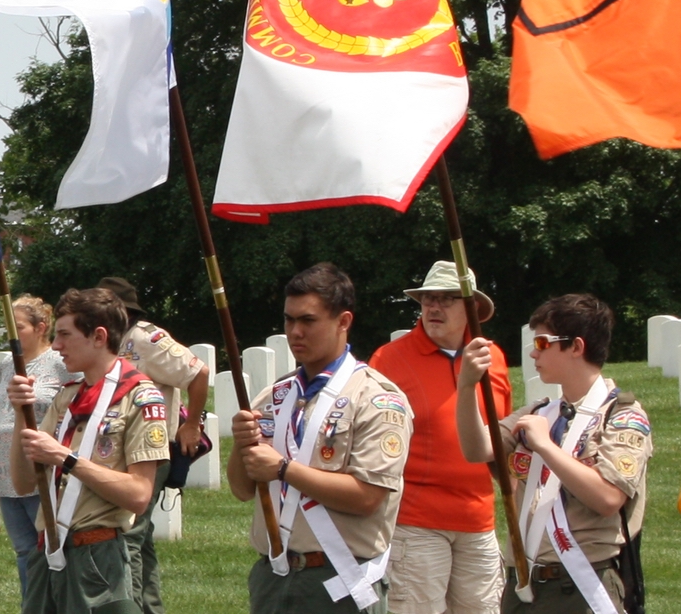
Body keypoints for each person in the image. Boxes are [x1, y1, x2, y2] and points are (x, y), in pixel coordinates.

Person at [229, 263, 415, 614]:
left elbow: (367, 497)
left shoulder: (375, 399)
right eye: (289, 320)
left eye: (308, 321)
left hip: (339, 579)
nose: (295, 332)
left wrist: (284, 469)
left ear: (343, 321)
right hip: (274, 576)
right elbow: (241, 489)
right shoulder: (275, 397)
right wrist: (241, 447)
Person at [456, 294, 651, 613]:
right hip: (525, 584)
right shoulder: (540, 412)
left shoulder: (623, 416)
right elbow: (477, 449)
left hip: (582, 584)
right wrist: (465, 387)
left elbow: (608, 498)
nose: (534, 352)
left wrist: (546, 446)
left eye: (544, 343)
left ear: (576, 347)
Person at [10, 287, 169, 614]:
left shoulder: (139, 398)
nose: (56, 346)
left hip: (97, 558)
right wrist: (19, 414)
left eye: (65, 335)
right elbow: (24, 484)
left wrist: (65, 458)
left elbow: (139, 494)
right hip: (49, 554)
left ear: (98, 336)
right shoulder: (67, 398)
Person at [373, 261, 513, 614]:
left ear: (472, 308)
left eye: (447, 299)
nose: (434, 308)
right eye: (428, 299)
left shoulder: (491, 358)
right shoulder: (389, 360)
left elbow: (500, 438)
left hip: (478, 518)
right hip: (416, 522)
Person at [98, 276, 209, 614]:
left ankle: (129, 607)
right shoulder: (109, 342)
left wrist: (191, 425)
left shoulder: (148, 338)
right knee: (140, 538)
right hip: (120, 449)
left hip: (152, 449)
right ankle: (150, 607)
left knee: (128, 534)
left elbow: (199, 372)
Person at [0, 294, 74, 597]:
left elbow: (74, 406)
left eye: (19, 327)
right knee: (24, 550)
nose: (13, 335)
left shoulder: (59, 363)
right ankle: (32, 603)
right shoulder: (7, 365)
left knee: (46, 546)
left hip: (39, 466)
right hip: (3, 467)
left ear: (41, 327)